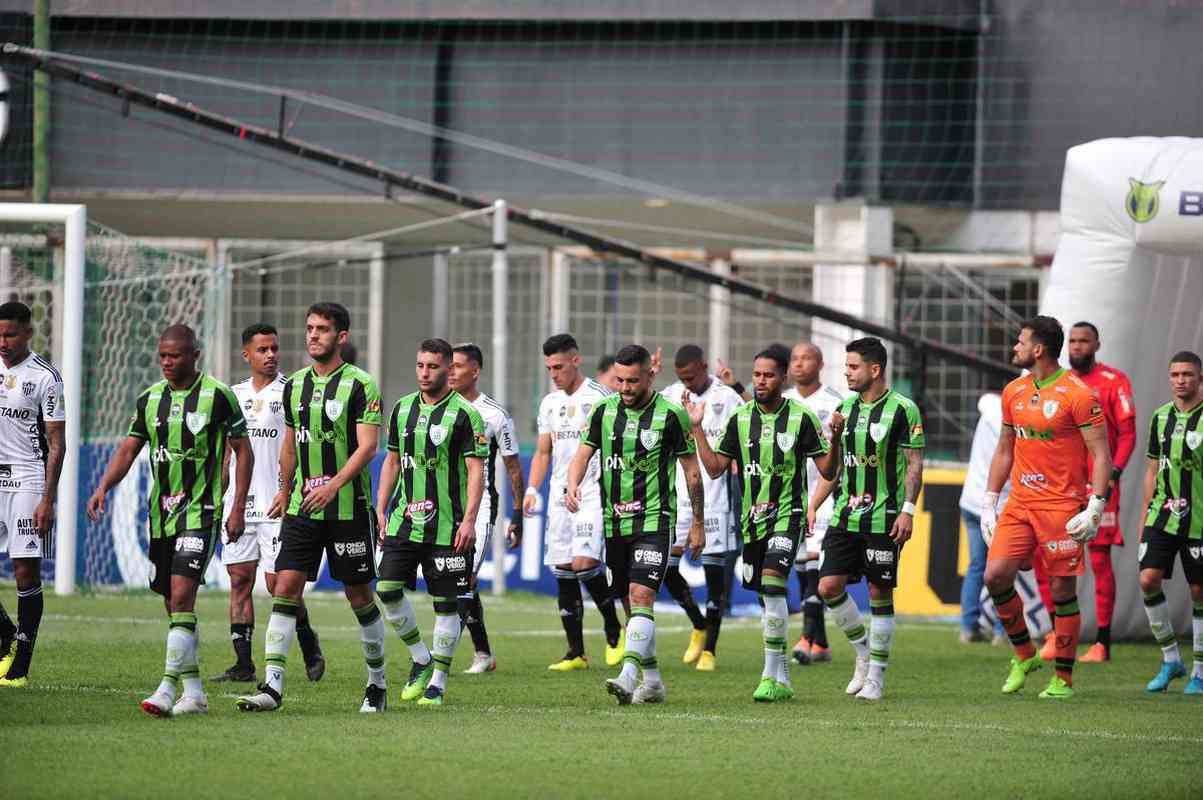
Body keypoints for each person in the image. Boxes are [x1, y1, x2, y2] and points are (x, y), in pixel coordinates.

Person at [87, 324, 252, 715]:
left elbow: (243, 452)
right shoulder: (149, 399)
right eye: (162, 355)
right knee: (173, 605)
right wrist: (103, 487)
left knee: (181, 596)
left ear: (195, 355)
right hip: (161, 517)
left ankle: (166, 687)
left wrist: (238, 506)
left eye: (174, 356)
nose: (166, 362)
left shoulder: (218, 396)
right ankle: (194, 693)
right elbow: (128, 451)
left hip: (201, 512)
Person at [235, 302, 386, 713]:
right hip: (303, 509)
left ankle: (377, 684)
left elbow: (368, 446)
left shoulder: (361, 385)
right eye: (309, 328)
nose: (313, 335)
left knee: (359, 597)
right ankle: (273, 687)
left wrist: (335, 486)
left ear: (341, 337)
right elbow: (290, 445)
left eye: (322, 329)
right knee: (283, 588)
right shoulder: (294, 385)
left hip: (348, 509)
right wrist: (285, 490)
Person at [690, 344, 837, 702]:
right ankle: (781, 674)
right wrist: (696, 429)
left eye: (769, 375)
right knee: (763, 594)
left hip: (788, 517)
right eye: (756, 374)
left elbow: (828, 471)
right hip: (751, 522)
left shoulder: (801, 417)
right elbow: (713, 469)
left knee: (773, 586)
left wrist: (838, 438)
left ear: (782, 377)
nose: (760, 381)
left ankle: (769, 675)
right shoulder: (739, 420)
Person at [981, 316, 1111, 700]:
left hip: (1061, 506)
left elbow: (1100, 455)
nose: (1014, 349)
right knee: (996, 576)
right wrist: (990, 501)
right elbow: (1006, 448)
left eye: (1020, 343)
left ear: (1038, 349)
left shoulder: (1078, 394)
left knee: (1060, 590)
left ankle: (1063, 679)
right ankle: (1024, 654)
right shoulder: (1013, 391)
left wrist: (1095, 506)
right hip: (1020, 502)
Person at [568, 344, 704, 705]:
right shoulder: (603, 411)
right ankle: (654, 680)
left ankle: (629, 676)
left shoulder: (671, 414)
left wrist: (698, 525)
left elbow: (692, 471)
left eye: (632, 381)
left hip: (654, 521)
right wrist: (572, 484)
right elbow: (582, 454)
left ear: (650, 375)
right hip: (615, 525)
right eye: (619, 381)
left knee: (642, 596)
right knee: (632, 604)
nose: (625, 388)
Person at [374, 338, 487, 706]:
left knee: (445, 604)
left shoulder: (466, 415)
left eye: (433, 367)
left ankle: (437, 682)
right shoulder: (402, 409)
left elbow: (475, 470)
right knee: (387, 589)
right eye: (421, 365)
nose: (425, 372)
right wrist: (380, 507)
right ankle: (421, 658)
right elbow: (392, 461)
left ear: (448, 370)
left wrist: (468, 520)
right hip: (405, 519)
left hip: (448, 525)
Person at [811, 337, 924, 702]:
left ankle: (876, 675)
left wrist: (908, 510)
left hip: (885, 517)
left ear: (875, 370)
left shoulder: (904, 409)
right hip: (845, 514)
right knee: (828, 587)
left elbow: (914, 464)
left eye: (853, 367)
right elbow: (831, 469)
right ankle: (862, 652)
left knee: (879, 591)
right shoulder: (844, 409)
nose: (847, 373)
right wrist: (814, 504)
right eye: (846, 367)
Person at [214, 323, 324, 684]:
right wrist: (223, 493)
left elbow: (300, 446)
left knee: (281, 585)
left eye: (274, 348)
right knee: (239, 580)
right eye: (262, 350)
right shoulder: (233, 395)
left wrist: (291, 490)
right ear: (246, 354)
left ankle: (308, 641)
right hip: (239, 504)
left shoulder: (292, 391)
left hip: (279, 501)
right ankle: (243, 664)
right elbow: (227, 453)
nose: (271, 355)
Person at [1030, 321, 1134, 663]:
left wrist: (1113, 475)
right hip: (1061, 490)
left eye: (1083, 341)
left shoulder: (1113, 382)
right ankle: (1056, 634)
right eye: (1072, 341)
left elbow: (1129, 434)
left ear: (1097, 344)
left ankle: (1102, 642)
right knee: (1046, 559)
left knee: (1100, 560)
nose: (1077, 346)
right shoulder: (1058, 383)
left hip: (1098, 488)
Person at [525, 334, 624, 671]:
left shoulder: (600, 397)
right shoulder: (549, 403)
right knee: (564, 570)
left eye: (559, 366)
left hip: (593, 491)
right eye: (550, 368)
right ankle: (576, 652)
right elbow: (542, 451)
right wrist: (532, 489)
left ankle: (613, 629)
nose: (554, 373)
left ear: (576, 360)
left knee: (584, 563)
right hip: (558, 494)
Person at [659, 344, 742, 671]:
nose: (687, 384)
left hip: (717, 498)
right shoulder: (670, 395)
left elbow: (745, 430)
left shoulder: (727, 398)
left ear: (704, 367)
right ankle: (697, 623)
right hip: (678, 495)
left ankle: (710, 650)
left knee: (714, 576)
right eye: (682, 378)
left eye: (692, 377)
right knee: (665, 566)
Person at [448, 343, 525, 674]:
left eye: (458, 366)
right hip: (441, 505)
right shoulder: (436, 407)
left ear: (475, 371)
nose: (450, 371)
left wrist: (518, 514)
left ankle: (439, 659)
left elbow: (513, 468)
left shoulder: (494, 415)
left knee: (462, 577)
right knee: (454, 579)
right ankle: (483, 654)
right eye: (447, 366)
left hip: (479, 508)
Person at [0, 301, 66, 688]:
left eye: (10, 334)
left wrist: (48, 498)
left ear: (28, 332)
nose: (3, 342)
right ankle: (4, 632)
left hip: (26, 479)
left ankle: (20, 664)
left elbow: (56, 443)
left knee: (25, 570)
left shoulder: (45, 377)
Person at [1137, 351, 1203, 695]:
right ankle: (1171, 660)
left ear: (1200, 378)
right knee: (1148, 580)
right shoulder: (1160, 417)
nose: (1181, 380)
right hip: (1162, 515)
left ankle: (1200, 672)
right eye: (1176, 374)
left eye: (1188, 374)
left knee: (1198, 591)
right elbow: (1152, 468)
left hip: (1199, 519)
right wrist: (1146, 513)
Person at [783, 341, 845, 665]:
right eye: (794, 359)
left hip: (824, 497)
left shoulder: (835, 402)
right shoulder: (785, 403)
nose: (799, 364)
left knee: (814, 569)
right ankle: (820, 644)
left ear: (820, 364)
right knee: (800, 569)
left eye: (806, 358)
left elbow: (842, 452)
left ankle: (807, 638)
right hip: (789, 498)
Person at [958, 393, 1009, 645]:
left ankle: (968, 627)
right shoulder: (1014, 420)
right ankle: (1002, 630)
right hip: (998, 504)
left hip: (971, 499)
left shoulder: (990, 407)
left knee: (977, 567)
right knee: (1002, 570)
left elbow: (986, 398)